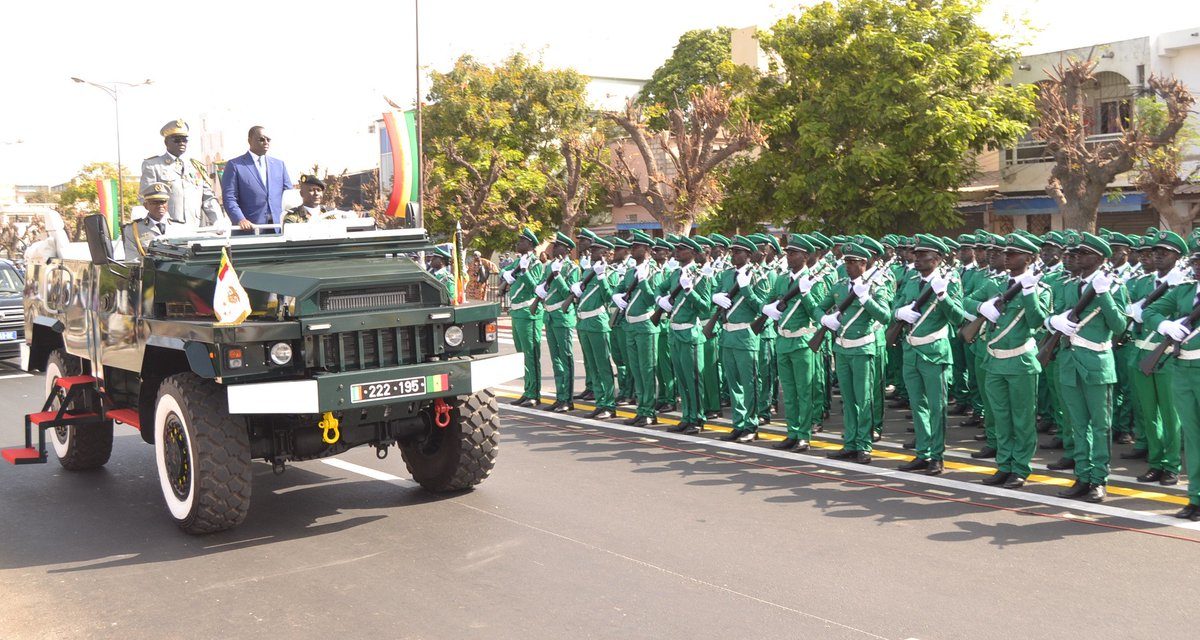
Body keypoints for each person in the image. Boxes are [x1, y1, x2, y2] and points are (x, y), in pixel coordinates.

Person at [966, 233, 1047, 489]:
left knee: (1022, 419)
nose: (1007, 257)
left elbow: (1037, 322)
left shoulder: (1040, 288)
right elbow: (966, 300)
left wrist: (1030, 292)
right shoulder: (995, 284)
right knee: (1000, 417)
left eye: (1014, 254)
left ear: (1030, 258)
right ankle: (1004, 464)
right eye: (1007, 253)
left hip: (1020, 361)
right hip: (995, 361)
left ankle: (1020, 468)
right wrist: (982, 308)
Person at [1051, 233, 1125, 503]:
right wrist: (1056, 321)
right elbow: (1053, 314)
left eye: (1084, 254)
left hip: (1096, 363)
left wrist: (1104, 294)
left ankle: (1099, 479)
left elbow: (1119, 326)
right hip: (1070, 362)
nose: (1077, 258)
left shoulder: (1113, 286)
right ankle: (1082, 476)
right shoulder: (1070, 286)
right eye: (1077, 254)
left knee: (1101, 426)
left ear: (1098, 258)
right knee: (1078, 424)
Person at [892, 235, 963, 476]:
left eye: (924, 256)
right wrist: (900, 312)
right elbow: (894, 306)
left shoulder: (950, 282)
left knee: (936, 406)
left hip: (934, 351)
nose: (918, 260)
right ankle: (922, 453)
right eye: (917, 255)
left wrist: (943, 297)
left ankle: (937, 455)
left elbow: (958, 318)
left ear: (938, 259)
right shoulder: (911, 280)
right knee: (917, 405)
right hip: (911, 350)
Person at [1143, 234, 1200, 522]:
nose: (1199, 266)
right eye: (1196, 260)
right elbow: (1150, 310)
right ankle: (1195, 497)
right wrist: (1165, 324)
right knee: (1192, 437)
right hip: (1183, 370)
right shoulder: (1184, 292)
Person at [818, 242, 891, 463]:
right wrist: (824, 318)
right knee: (848, 400)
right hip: (842, 348)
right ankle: (849, 442)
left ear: (863, 263)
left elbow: (886, 317)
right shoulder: (840, 286)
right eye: (846, 262)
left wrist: (866, 299)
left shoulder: (876, 286)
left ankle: (864, 445)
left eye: (852, 262)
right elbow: (820, 306)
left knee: (864, 398)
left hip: (862, 348)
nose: (847, 266)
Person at [1125, 230, 1188, 486]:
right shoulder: (1142, 282)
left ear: (1178, 257)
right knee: (1148, 414)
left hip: (1167, 356)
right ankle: (1156, 462)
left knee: (1170, 415)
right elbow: (1130, 311)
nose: (1158, 256)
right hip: (1141, 352)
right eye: (1155, 252)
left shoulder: (1184, 287)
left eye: (1165, 252)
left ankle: (1171, 465)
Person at [761, 234, 827, 450]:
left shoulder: (814, 280)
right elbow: (768, 299)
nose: (788, 256)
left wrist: (806, 293)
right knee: (788, 391)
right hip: (783, 340)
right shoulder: (781, 279)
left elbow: (817, 312)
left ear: (805, 256)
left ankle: (804, 435)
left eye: (793, 253)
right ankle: (792, 431)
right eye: (787, 253)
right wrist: (767, 308)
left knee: (804, 391)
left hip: (802, 341)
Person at [712, 235, 766, 443]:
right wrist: (715, 296)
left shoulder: (758, 276)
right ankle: (738, 423)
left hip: (746, 336)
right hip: (727, 335)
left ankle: (751, 425)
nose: (733, 255)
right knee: (734, 384)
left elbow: (761, 307)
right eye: (732, 251)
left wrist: (746, 289)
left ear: (749, 255)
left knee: (749, 383)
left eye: (738, 252)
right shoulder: (726, 275)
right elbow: (716, 294)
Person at [656, 236, 712, 434]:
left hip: (690, 333)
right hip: (674, 332)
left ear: (693, 253)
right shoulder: (674, 274)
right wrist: (660, 300)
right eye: (676, 249)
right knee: (681, 379)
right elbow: (659, 288)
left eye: (682, 249)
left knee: (693, 380)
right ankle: (686, 416)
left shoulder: (700, 276)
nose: (677, 252)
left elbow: (706, 307)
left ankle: (697, 418)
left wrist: (689, 290)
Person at [613, 230, 662, 427]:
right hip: (630, 325)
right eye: (631, 247)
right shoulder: (631, 271)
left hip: (646, 325)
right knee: (636, 369)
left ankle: (649, 411)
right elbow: (620, 288)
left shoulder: (654, 272)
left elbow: (654, 300)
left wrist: (643, 284)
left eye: (636, 247)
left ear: (647, 249)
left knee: (647, 369)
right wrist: (616, 296)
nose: (632, 250)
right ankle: (642, 408)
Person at [140, 119, 221, 228]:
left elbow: (208, 198)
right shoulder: (153, 165)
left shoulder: (196, 166)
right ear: (166, 142)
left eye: (184, 140)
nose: (182, 143)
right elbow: (145, 197)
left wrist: (219, 221)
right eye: (177, 140)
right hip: (168, 228)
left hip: (195, 227)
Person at [536, 232, 581, 412]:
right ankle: (559, 396)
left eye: (558, 246)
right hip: (550, 316)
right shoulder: (549, 267)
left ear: (567, 250)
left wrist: (558, 275)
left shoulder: (573, 269)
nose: (554, 249)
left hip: (563, 317)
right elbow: (541, 288)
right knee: (556, 360)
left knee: (566, 357)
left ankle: (567, 400)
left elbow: (568, 293)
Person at [574, 237, 616, 420]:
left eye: (597, 251)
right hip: (584, 323)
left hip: (598, 323)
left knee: (603, 366)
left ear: (606, 254)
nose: (592, 254)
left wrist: (601, 277)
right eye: (591, 251)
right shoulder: (586, 273)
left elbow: (610, 297)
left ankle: (609, 404)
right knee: (592, 365)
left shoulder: (609, 272)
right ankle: (600, 402)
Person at [221, 125, 293, 231]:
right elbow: (229, 198)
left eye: (268, 139)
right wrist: (240, 219)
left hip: (278, 228)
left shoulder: (279, 165)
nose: (266, 142)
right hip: (250, 229)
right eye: (261, 139)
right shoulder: (235, 165)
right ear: (250, 141)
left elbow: (288, 195)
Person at [504, 228, 546, 407]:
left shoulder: (535, 264)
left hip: (529, 313)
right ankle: (527, 390)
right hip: (517, 313)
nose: (517, 243)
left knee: (531, 354)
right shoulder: (517, 262)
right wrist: (507, 273)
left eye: (521, 241)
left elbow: (535, 288)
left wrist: (524, 271)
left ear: (530, 244)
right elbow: (503, 272)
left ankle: (534, 394)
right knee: (522, 355)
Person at [122, 182, 173, 258]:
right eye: (155, 202)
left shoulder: (177, 228)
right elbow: (132, 261)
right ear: (146, 206)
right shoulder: (133, 230)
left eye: (163, 202)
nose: (160, 206)